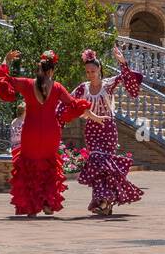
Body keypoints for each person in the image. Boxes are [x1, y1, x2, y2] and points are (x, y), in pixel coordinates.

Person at [0, 49, 104, 217]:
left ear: (39, 69)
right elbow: (75, 104)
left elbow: (4, 80)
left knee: (29, 167)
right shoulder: (57, 87)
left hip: (30, 132)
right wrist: (93, 116)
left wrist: (6, 60)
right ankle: (47, 204)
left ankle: (31, 207)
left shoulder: (27, 84)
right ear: (52, 70)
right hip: (50, 133)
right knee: (49, 168)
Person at [61, 46, 145, 216]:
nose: (90, 74)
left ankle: (104, 202)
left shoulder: (108, 85)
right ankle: (104, 202)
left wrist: (123, 63)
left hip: (107, 129)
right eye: (87, 71)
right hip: (92, 129)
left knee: (103, 164)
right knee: (97, 164)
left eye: (93, 70)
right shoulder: (82, 89)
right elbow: (69, 103)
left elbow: (128, 80)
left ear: (99, 69)